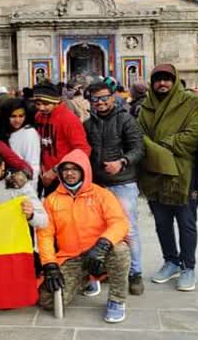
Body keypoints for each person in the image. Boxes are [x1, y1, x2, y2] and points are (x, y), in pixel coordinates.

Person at [37, 149, 131, 323]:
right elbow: (45, 235)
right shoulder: (51, 200)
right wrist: (49, 265)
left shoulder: (102, 194)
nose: (69, 173)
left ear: (84, 171)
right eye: (65, 169)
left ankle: (117, 300)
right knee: (48, 301)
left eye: (75, 169)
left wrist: (103, 244)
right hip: (71, 257)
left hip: (99, 253)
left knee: (120, 250)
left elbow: (120, 223)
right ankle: (86, 279)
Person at [137, 64, 198, 293]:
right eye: (158, 80)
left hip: (183, 173)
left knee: (186, 222)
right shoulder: (146, 107)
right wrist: (156, 152)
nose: (162, 84)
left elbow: (193, 135)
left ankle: (188, 266)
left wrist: (162, 147)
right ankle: (171, 260)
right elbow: (139, 136)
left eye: (167, 79)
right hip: (153, 174)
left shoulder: (191, 103)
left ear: (174, 81)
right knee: (162, 222)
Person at [84, 81, 146, 295]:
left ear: (113, 97)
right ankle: (107, 270)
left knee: (128, 229)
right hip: (98, 184)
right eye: (95, 99)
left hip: (123, 182)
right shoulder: (88, 124)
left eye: (104, 98)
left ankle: (135, 273)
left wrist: (122, 162)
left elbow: (138, 148)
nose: (100, 102)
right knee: (100, 229)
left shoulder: (125, 119)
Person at [34, 82, 91, 196]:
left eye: (46, 104)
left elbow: (83, 150)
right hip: (45, 175)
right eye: (38, 104)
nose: (41, 107)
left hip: (65, 176)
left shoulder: (69, 119)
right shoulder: (39, 116)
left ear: (56, 101)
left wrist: (56, 170)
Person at [0, 98, 42, 191]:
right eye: (13, 116)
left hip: (23, 185)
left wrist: (31, 190)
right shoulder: (4, 132)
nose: (17, 120)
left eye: (21, 116)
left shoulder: (29, 133)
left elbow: (33, 165)